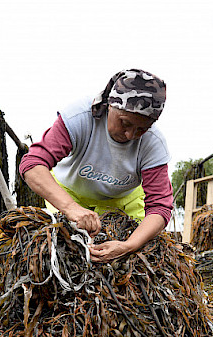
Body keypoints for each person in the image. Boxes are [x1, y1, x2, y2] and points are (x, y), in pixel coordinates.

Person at [19, 69, 173, 262]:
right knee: (65, 256)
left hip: (125, 202)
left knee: (131, 262)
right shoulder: (80, 117)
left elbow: (160, 206)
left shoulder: (154, 143)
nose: (130, 135)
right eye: (125, 123)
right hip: (71, 194)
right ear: (110, 105)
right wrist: (70, 207)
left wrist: (128, 245)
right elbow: (33, 164)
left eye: (142, 129)